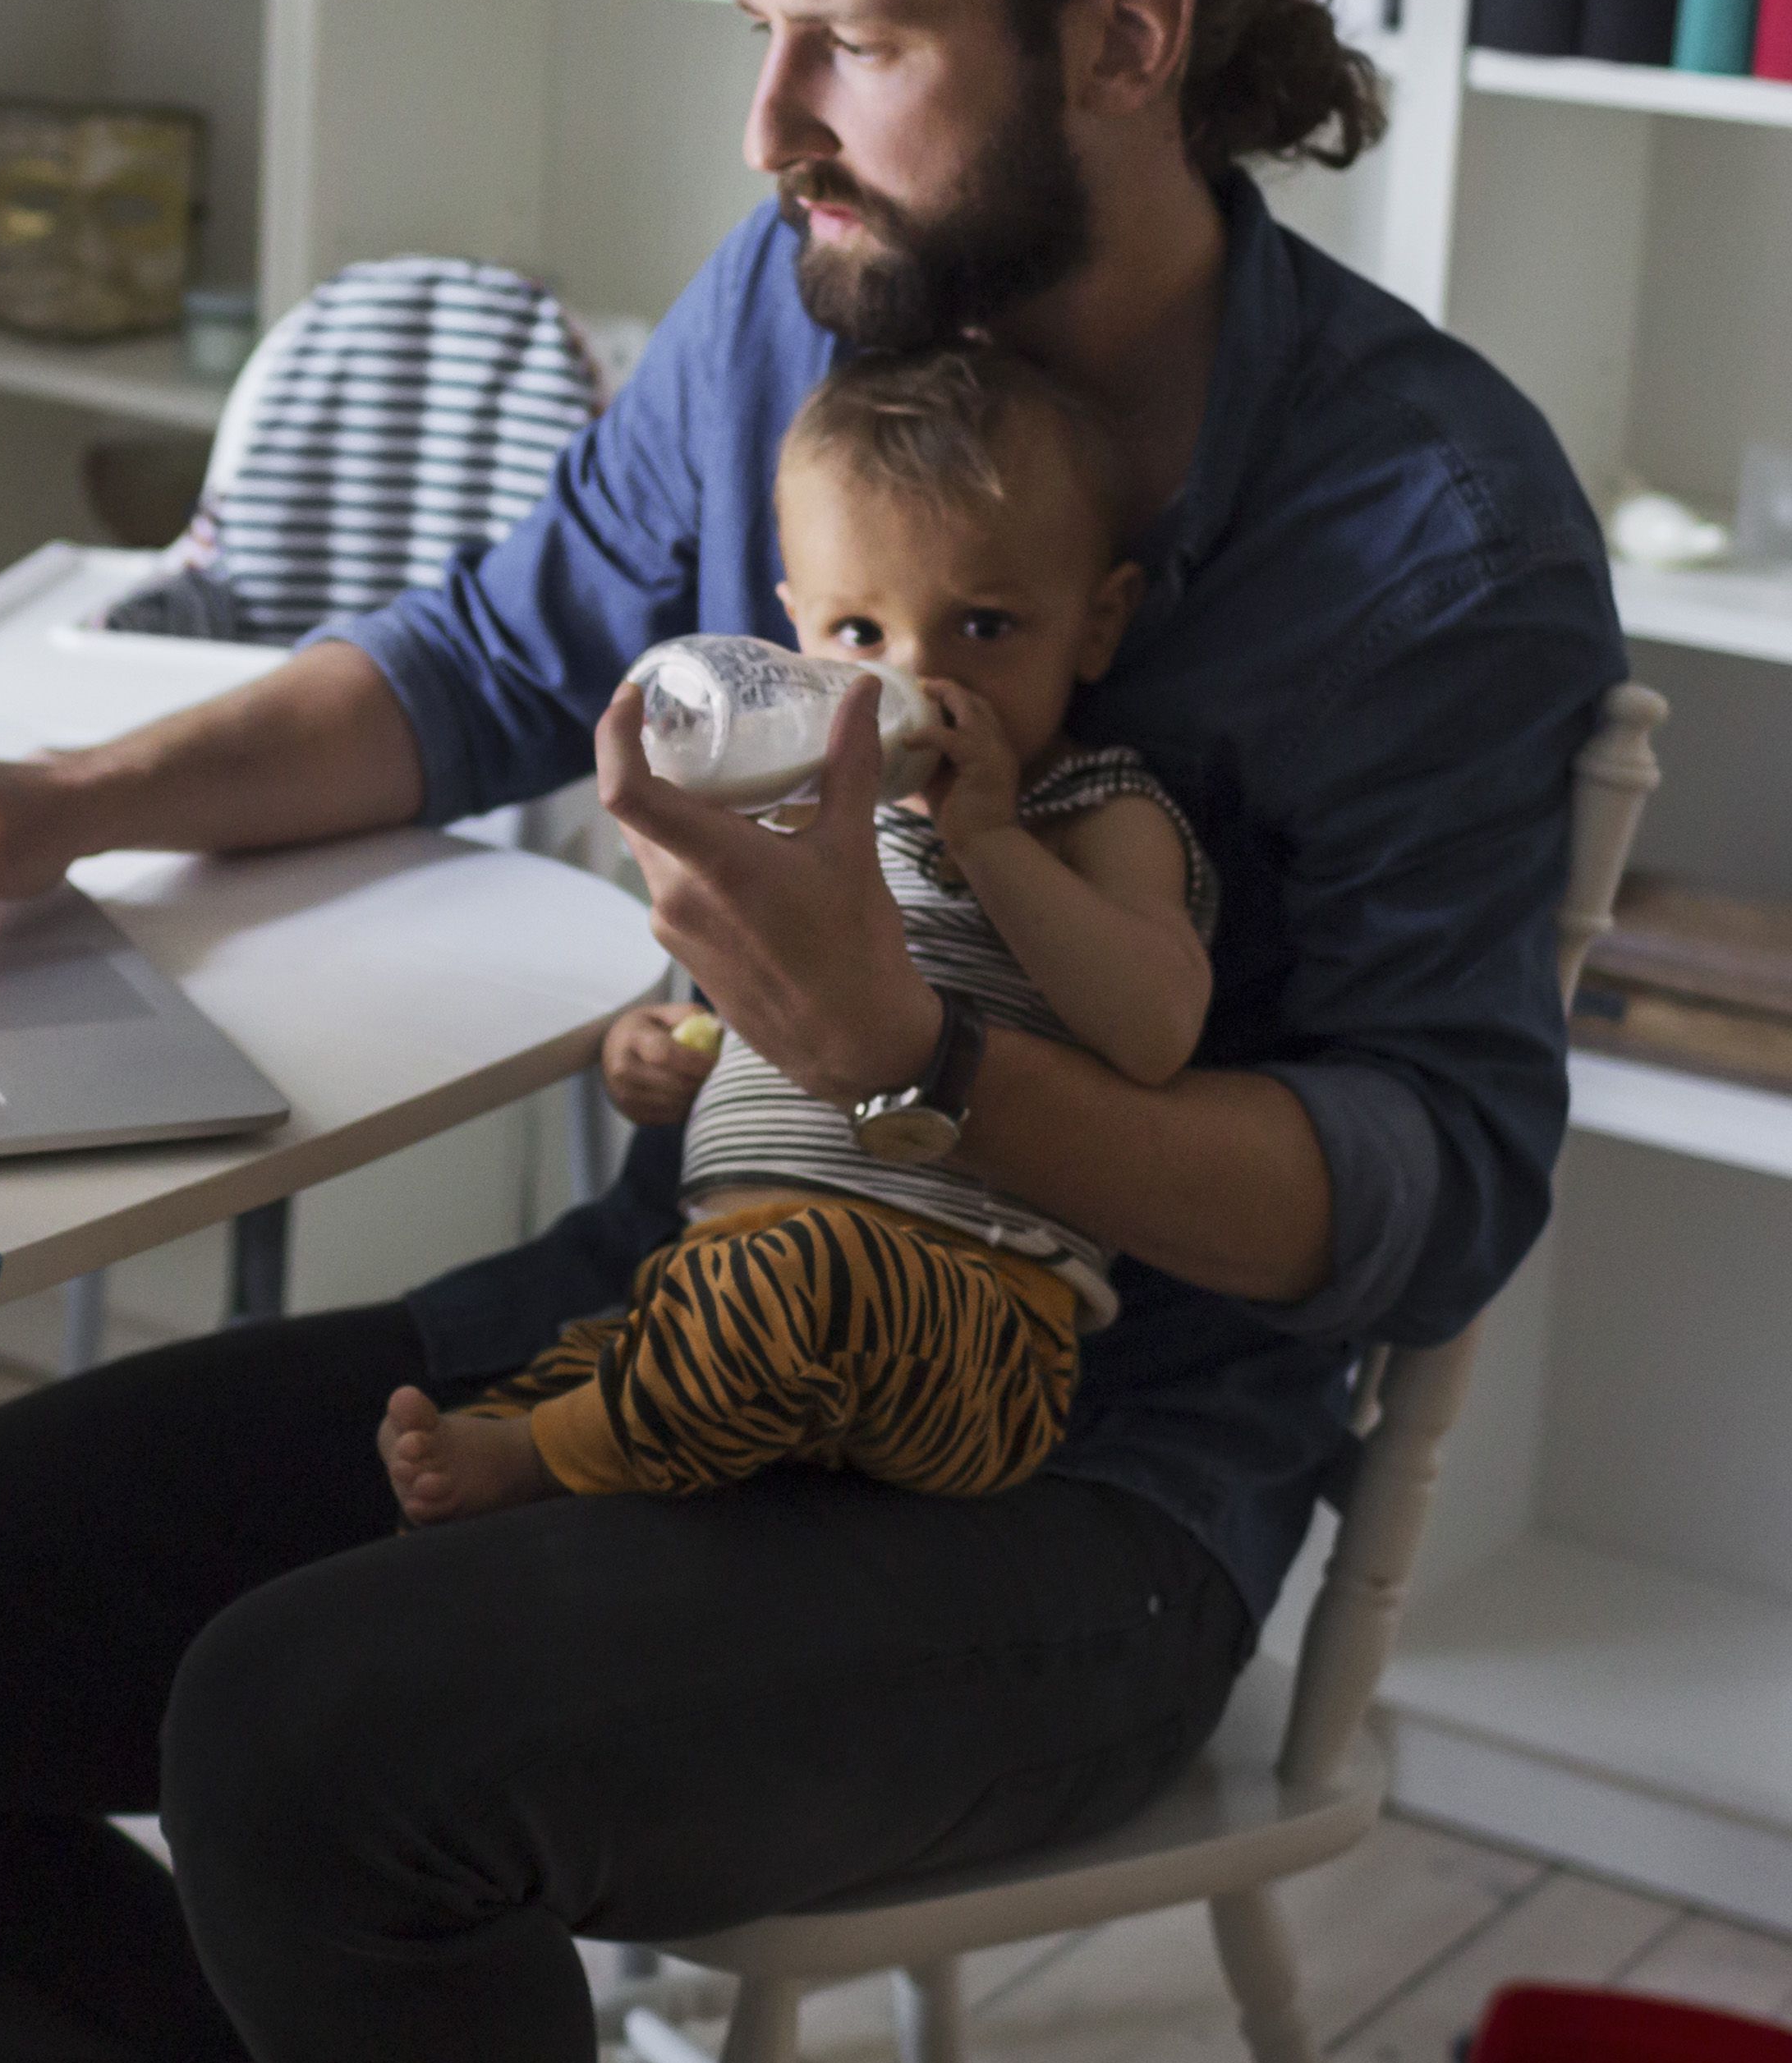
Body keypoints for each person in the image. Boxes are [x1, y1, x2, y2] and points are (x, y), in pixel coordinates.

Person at [0, 0, 1626, 2063]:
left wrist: (930, 1056)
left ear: (1129, 38)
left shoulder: (1432, 535)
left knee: (311, 1754)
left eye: (852, 46)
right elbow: (479, 658)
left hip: (1081, 1504)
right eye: (760, 36)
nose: (770, 126)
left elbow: (1416, 1202)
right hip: (643, 1340)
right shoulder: (791, 316)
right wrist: (51, 800)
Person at [379, 342, 1216, 1526]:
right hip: (724, 1267)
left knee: (801, 1287)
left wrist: (989, 841)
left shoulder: (1090, 812)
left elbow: (1157, 1028)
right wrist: (662, 1040)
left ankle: (552, 1452)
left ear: (1097, 622)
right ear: (792, 636)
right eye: (860, 637)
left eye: (985, 626)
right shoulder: (787, 811)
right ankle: (584, 1426)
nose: (909, 684)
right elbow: (753, 1012)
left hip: (972, 1320)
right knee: (659, 1327)